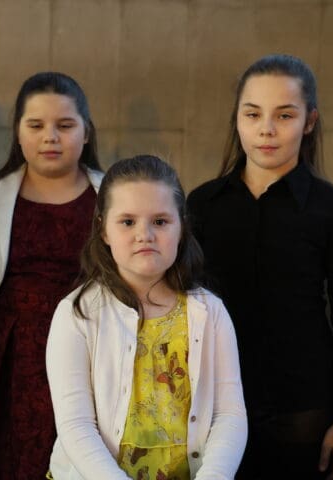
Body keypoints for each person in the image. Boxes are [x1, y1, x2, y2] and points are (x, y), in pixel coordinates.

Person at [186, 54, 333, 480]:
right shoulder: (201, 204)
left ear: (309, 122)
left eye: (284, 115)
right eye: (253, 114)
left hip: (303, 403)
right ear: (237, 118)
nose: (266, 129)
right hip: (214, 399)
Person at [46, 155, 247, 479]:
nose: (145, 234)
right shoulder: (77, 314)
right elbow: (76, 425)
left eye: (160, 222)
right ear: (104, 230)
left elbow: (230, 415)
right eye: (127, 222)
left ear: (181, 227)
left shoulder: (211, 313)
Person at [0, 71, 104, 479]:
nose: (50, 137)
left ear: (86, 132)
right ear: (18, 133)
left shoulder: (114, 198)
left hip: (87, 354)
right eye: (36, 125)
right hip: (3, 360)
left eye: (65, 125)